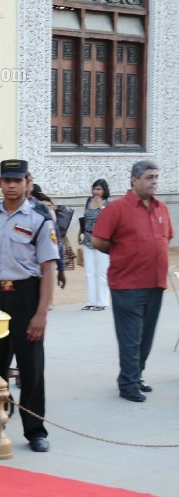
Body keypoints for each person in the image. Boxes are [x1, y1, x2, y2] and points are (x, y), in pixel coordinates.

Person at [0, 159, 58, 453]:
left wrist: (41, 314)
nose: (11, 185)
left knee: (31, 367)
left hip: (26, 296)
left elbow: (48, 269)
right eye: (6, 180)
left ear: (27, 183)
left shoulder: (40, 219)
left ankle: (35, 431)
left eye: (17, 180)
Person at [92, 161, 174, 403]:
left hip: (155, 283)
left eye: (156, 177)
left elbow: (165, 239)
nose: (154, 181)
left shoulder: (162, 208)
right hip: (127, 283)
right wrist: (123, 252)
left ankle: (135, 376)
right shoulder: (117, 208)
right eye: (149, 177)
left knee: (146, 337)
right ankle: (128, 385)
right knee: (131, 338)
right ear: (134, 180)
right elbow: (98, 241)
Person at [79, 179, 111, 311]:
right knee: (89, 272)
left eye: (99, 189)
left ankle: (102, 301)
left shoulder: (108, 205)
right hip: (88, 239)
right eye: (94, 189)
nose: (96, 192)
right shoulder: (89, 201)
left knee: (101, 272)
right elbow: (85, 219)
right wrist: (80, 234)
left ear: (104, 190)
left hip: (102, 240)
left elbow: (110, 223)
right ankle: (91, 300)